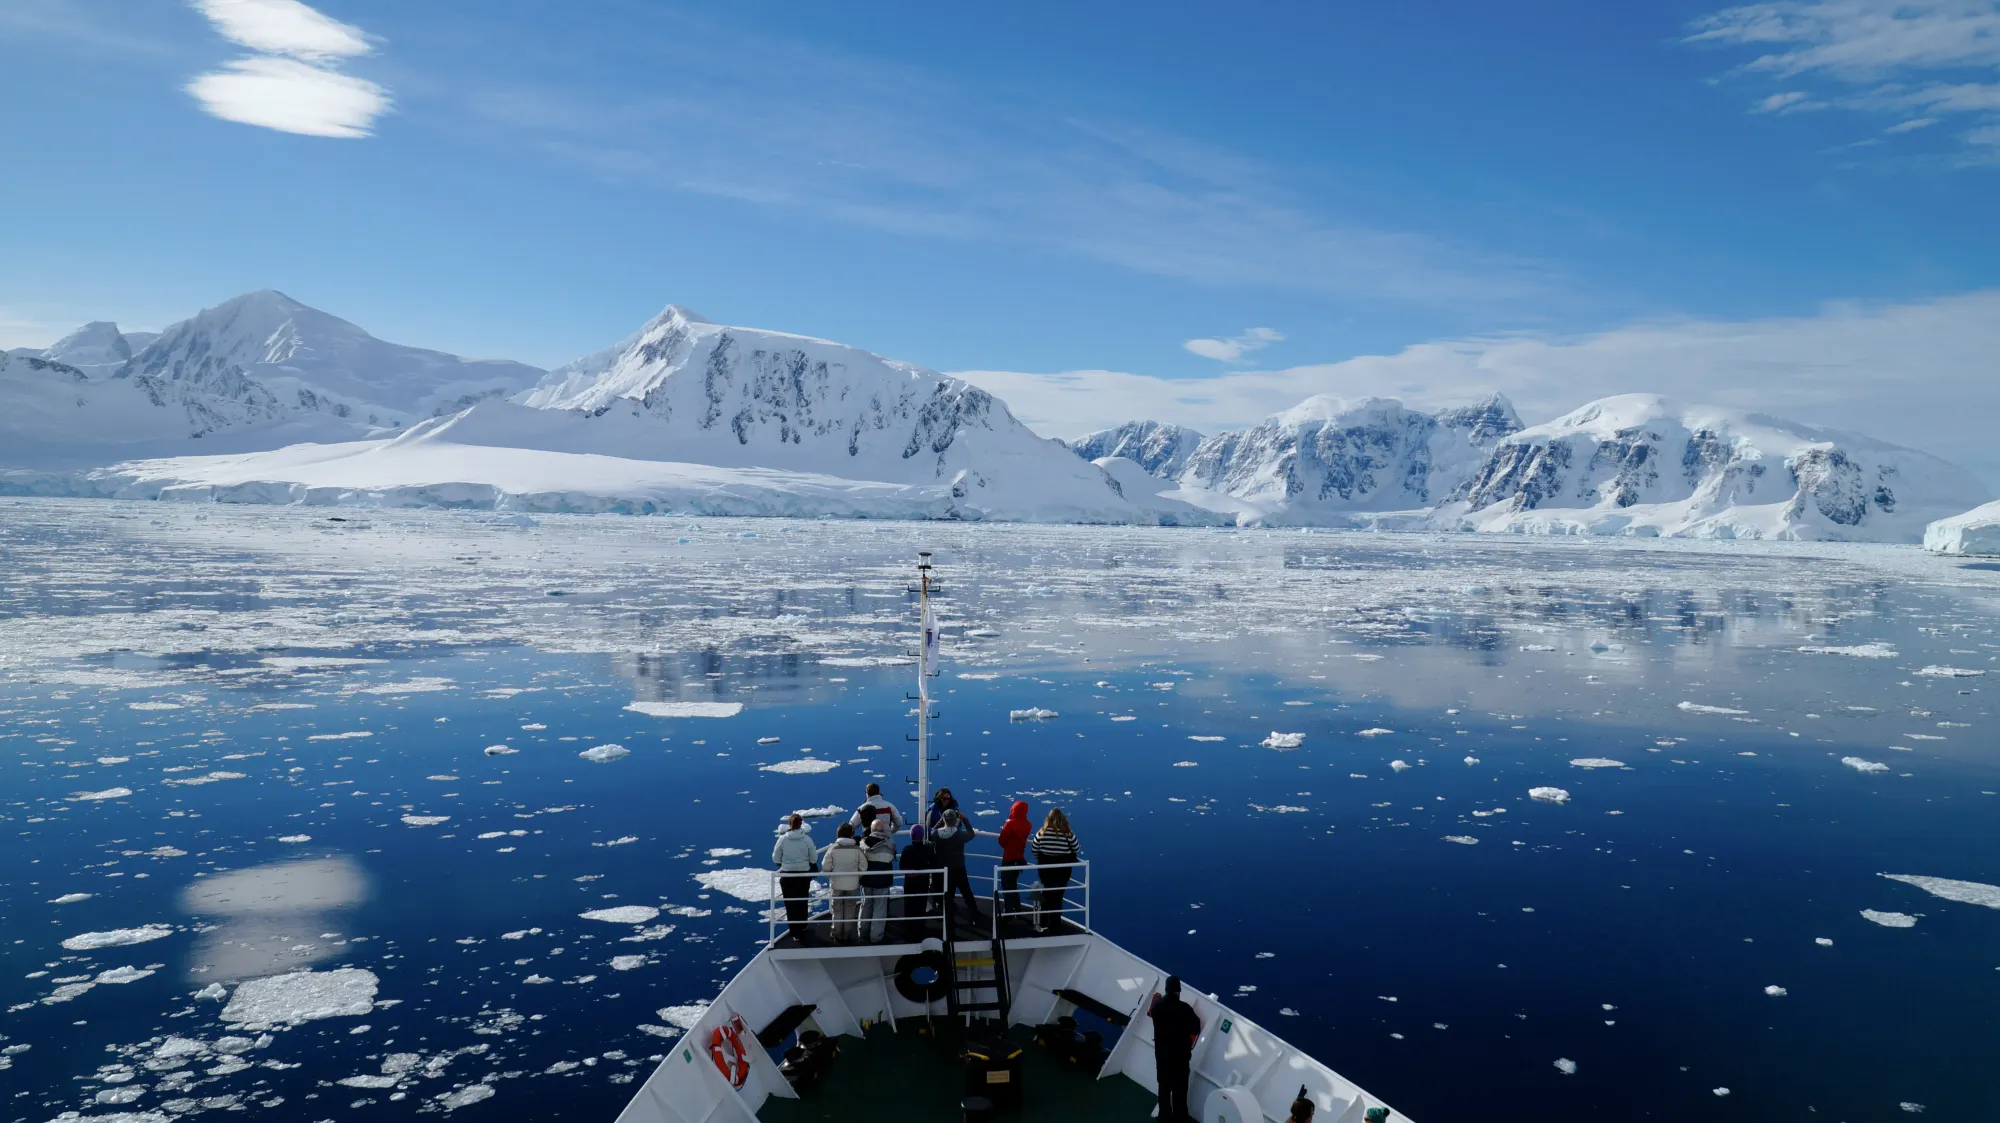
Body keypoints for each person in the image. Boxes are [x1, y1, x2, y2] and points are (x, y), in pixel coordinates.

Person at [1148, 975, 1201, 1123]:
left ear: (1166, 989)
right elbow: (1196, 1028)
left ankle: (1164, 1119)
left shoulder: (1157, 1007)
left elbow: (1154, 1010)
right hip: (1180, 1061)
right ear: (1178, 991)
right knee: (1180, 1094)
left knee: (1164, 1091)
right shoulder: (1185, 1009)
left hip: (1162, 1058)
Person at [1031, 807, 1082, 933]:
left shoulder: (1042, 832)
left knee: (1047, 892)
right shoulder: (1068, 833)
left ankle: (1043, 920)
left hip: (1045, 870)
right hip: (1062, 871)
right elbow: (1076, 848)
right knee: (1058, 895)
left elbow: (1034, 849)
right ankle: (1055, 924)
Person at [931, 808, 984, 922]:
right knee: (966, 892)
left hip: (945, 869)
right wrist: (965, 819)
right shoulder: (960, 835)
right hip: (959, 868)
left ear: (944, 819)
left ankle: (949, 918)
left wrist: (941, 821)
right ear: (956, 820)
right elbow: (971, 833)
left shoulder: (936, 835)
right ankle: (974, 914)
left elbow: (932, 832)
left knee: (949, 894)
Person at [819, 822, 868, 944]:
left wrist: (832, 875)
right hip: (852, 885)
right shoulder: (857, 850)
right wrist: (857, 876)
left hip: (836, 884)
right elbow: (864, 866)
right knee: (850, 908)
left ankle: (837, 934)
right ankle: (846, 934)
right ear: (852, 835)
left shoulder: (833, 849)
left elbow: (825, 867)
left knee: (837, 909)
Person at [771, 813, 817, 941]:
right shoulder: (807, 840)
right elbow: (813, 858)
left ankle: (795, 932)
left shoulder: (782, 839)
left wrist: (784, 864)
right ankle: (802, 926)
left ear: (789, 824)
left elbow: (775, 857)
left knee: (790, 904)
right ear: (801, 824)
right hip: (803, 875)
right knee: (802, 900)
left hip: (787, 876)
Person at [859, 817, 896, 943]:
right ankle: (876, 936)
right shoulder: (889, 844)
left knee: (865, 906)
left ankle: (862, 932)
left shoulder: (863, 844)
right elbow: (892, 856)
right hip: (882, 881)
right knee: (880, 909)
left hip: (866, 880)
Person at [996, 800, 1031, 924]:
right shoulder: (1028, 825)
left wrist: (1006, 827)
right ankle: (1017, 908)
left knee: (1006, 885)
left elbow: (1002, 841)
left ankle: (1009, 912)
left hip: (1008, 859)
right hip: (1020, 858)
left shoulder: (1009, 824)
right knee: (1013, 884)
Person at [899, 823, 938, 929]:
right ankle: (920, 925)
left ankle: (909, 926)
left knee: (909, 903)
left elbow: (902, 868)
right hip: (923, 881)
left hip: (910, 882)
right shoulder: (927, 849)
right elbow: (933, 864)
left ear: (911, 835)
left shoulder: (907, 850)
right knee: (921, 903)